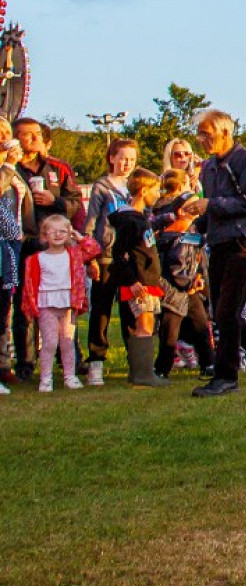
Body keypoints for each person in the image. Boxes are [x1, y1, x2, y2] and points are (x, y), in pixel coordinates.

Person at [189, 110, 246, 394]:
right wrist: (195, 223)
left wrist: (211, 205)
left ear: (225, 133)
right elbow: (212, 208)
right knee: (220, 311)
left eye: (207, 134)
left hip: (244, 241)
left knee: (228, 311)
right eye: (200, 134)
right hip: (219, 242)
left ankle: (226, 376)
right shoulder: (208, 167)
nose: (202, 140)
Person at [11, 118, 84, 381]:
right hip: (24, 244)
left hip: (57, 248)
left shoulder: (58, 168)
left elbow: (76, 203)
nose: (29, 140)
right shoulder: (10, 168)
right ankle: (25, 364)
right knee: (25, 304)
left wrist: (57, 201)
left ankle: (69, 360)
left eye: (34, 135)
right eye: (23, 135)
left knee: (64, 302)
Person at [82, 137, 139, 385]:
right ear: (112, 158)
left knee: (130, 311)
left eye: (131, 159)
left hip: (129, 257)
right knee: (102, 310)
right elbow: (91, 223)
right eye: (123, 158)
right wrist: (90, 255)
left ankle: (135, 361)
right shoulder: (101, 187)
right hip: (105, 256)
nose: (127, 163)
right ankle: (96, 361)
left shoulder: (136, 187)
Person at [21, 215, 98, 393]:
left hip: (68, 303)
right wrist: (29, 306)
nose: (58, 235)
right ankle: (46, 378)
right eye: (53, 231)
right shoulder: (35, 259)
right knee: (49, 342)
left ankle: (69, 376)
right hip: (46, 304)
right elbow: (29, 286)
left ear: (69, 233)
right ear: (44, 235)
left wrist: (79, 237)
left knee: (67, 342)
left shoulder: (74, 255)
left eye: (63, 231)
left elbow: (93, 250)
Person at [109, 168, 169, 388]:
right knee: (144, 324)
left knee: (147, 322)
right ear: (143, 191)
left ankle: (139, 371)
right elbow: (120, 255)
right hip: (140, 283)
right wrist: (132, 280)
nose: (158, 194)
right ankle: (144, 374)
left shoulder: (141, 220)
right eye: (155, 189)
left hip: (148, 280)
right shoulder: (129, 220)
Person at [153, 174, 215, 378]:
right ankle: (162, 369)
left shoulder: (192, 233)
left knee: (200, 327)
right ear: (181, 211)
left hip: (190, 289)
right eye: (193, 206)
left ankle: (208, 363)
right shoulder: (178, 236)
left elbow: (195, 261)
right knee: (170, 333)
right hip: (175, 292)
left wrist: (197, 278)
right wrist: (189, 282)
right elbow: (176, 267)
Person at [0, 119, 25, 383]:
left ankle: (4, 364)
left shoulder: (13, 170)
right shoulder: (7, 169)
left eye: (7, 134)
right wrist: (7, 166)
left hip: (11, 247)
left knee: (6, 306)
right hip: (5, 242)